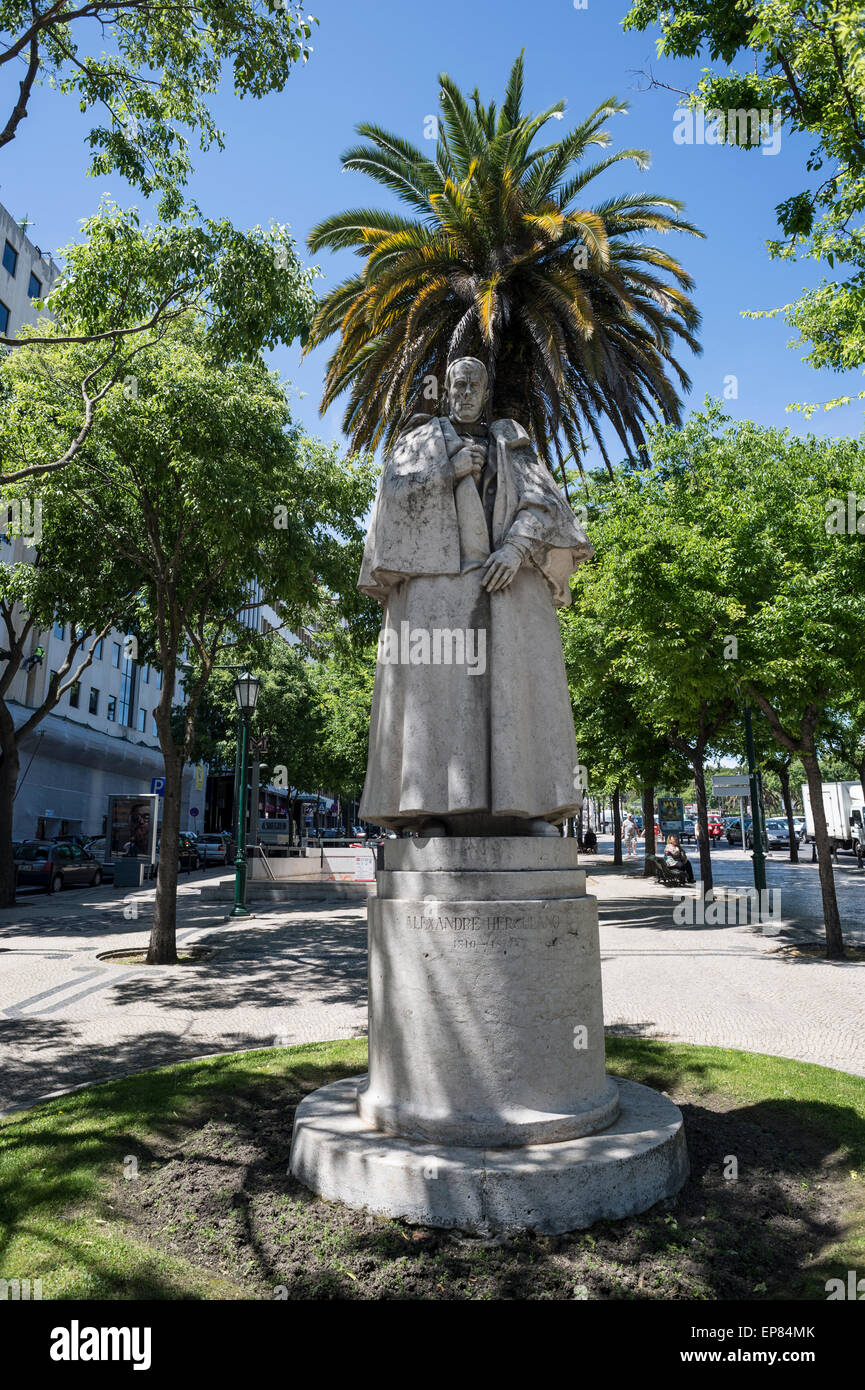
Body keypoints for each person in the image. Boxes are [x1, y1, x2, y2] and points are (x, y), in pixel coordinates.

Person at [358, 356, 593, 836]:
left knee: (518, 695)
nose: (465, 392)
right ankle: (431, 813)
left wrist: (516, 547)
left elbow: (544, 502)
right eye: (457, 384)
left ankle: (527, 812)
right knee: (437, 700)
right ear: (445, 389)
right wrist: (445, 471)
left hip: (506, 583)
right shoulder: (420, 440)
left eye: (474, 385)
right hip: (438, 587)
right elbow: (391, 503)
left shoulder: (510, 438)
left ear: (486, 391)